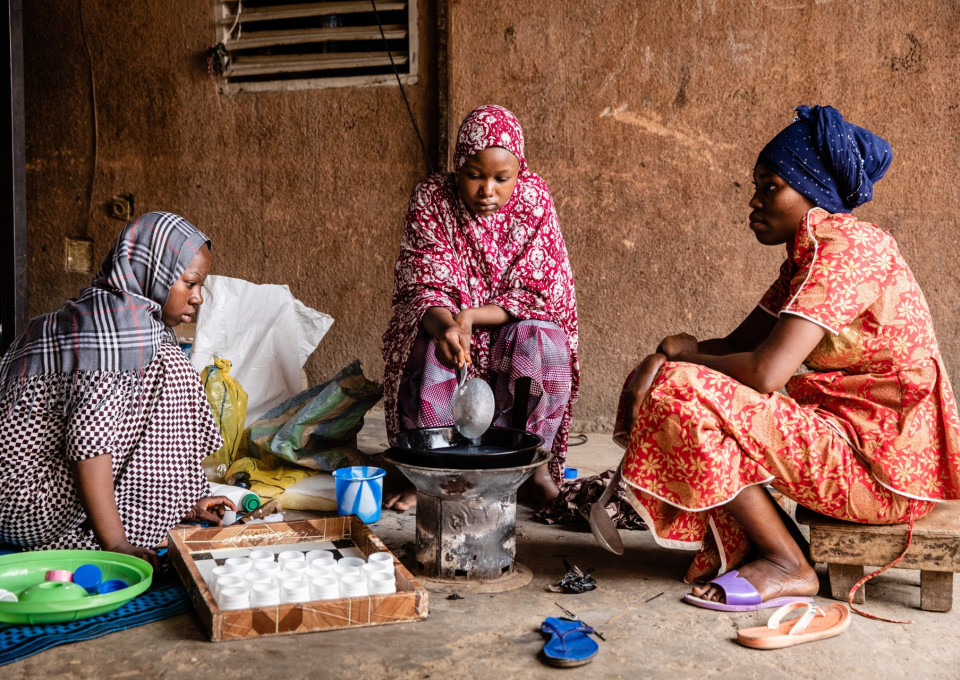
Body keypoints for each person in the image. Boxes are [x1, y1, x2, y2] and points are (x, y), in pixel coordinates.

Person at [613, 105, 960, 609]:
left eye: (770, 186)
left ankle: (787, 564)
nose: (754, 201)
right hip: (853, 446)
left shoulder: (844, 250)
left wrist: (672, 367)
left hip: (882, 476)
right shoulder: (807, 252)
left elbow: (764, 372)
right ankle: (779, 545)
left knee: (680, 391)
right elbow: (737, 347)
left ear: (811, 191)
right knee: (680, 384)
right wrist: (670, 353)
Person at [0, 212, 235, 567]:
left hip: (27, 491)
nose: (198, 298)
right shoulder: (110, 336)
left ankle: (172, 505)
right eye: (189, 283)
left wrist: (184, 500)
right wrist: (116, 546)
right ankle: (109, 534)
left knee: (166, 360)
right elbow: (88, 446)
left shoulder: (105, 318)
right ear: (153, 272)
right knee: (170, 366)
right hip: (24, 502)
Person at [381, 105, 579, 509]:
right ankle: (433, 475)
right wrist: (448, 328)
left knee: (545, 344)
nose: (488, 190)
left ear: (518, 174)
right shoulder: (433, 198)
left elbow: (542, 292)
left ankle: (533, 470)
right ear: (458, 168)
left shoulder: (535, 199)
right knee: (430, 347)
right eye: (475, 175)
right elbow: (422, 284)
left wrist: (471, 316)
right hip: (446, 319)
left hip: (509, 324)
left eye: (502, 179)